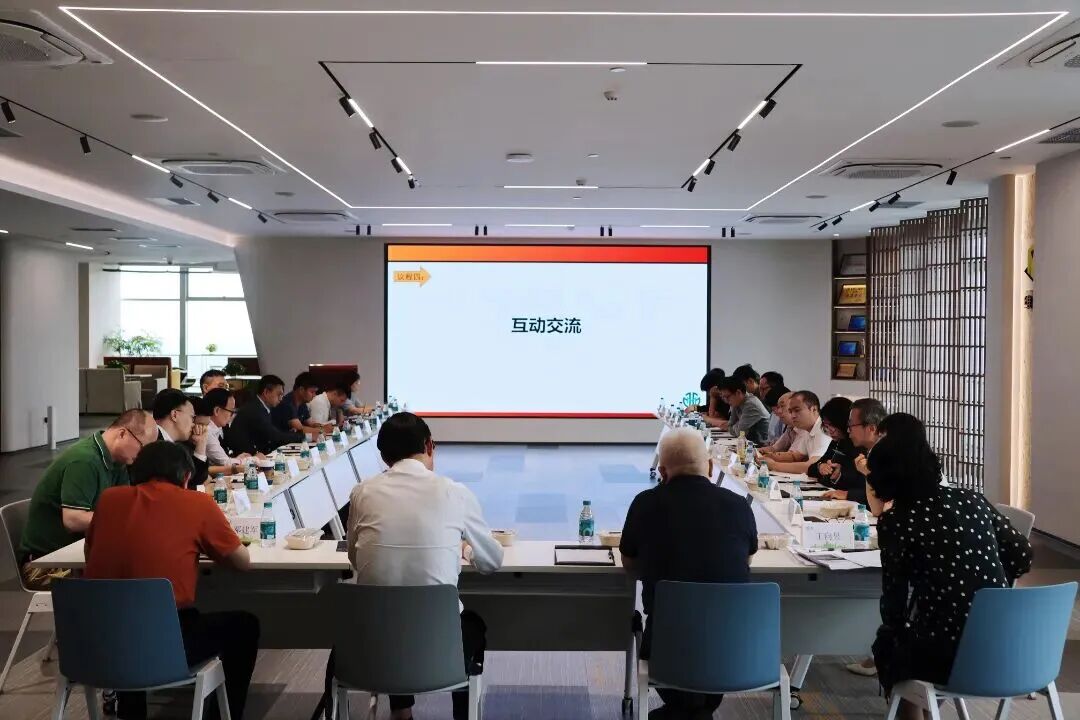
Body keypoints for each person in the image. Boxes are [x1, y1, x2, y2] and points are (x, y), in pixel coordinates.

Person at [868, 414, 1032, 720]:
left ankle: (915, 712)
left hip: (950, 652)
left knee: (891, 645)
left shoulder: (898, 520)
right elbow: (1022, 554)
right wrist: (986, 585)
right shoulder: (973, 500)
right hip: (1011, 643)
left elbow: (894, 603)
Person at [85, 441, 259, 720]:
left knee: (128, 612)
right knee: (245, 626)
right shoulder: (197, 503)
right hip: (162, 645)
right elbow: (242, 562)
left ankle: (130, 712)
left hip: (96, 642)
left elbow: (90, 553)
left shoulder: (108, 500)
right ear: (187, 477)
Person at [345, 412, 503, 720]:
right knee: (470, 625)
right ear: (430, 446)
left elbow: (354, 558)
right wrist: (465, 549)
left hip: (372, 647)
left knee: (393, 606)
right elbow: (492, 561)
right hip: (439, 647)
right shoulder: (454, 492)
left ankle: (401, 712)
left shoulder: (362, 492)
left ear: (383, 457)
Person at [620, 428, 757, 720]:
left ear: (662, 472)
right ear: (710, 466)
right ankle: (695, 710)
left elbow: (630, 564)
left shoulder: (646, 503)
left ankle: (686, 710)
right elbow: (746, 560)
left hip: (668, 648)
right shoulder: (738, 506)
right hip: (735, 648)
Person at [18, 410, 158, 589]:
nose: (142, 455)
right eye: (142, 447)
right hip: (44, 565)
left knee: (140, 570)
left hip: (79, 556)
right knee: (130, 580)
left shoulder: (118, 462)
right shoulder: (84, 461)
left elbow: (124, 508)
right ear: (123, 433)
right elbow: (73, 520)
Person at [807, 397, 866, 505]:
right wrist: (821, 466)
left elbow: (863, 484)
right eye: (826, 426)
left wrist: (840, 476)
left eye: (833, 425)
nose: (830, 431)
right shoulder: (838, 441)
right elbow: (811, 469)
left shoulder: (861, 445)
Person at [228, 375, 305, 455]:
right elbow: (274, 436)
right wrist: (303, 437)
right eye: (279, 394)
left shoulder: (260, 406)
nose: (281, 399)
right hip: (246, 457)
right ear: (266, 392)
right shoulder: (255, 409)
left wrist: (290, 434)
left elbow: (271, 433)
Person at [761, 391, 831, 474]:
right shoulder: (807, 429)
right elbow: (796, 456)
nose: (793, 416)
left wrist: (773, 465)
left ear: (813, 409)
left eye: (797, 410)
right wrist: (765, 456)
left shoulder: (823, 430)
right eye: (790, 411)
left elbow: (811, 466)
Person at [153, 388, 209, 486]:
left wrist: (201, 445)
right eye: (192, 417)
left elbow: (192, 480)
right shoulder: (152, 441)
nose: (193, 424)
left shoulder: (179, 445)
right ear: (174, 415)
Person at [199, 389, 251, 476]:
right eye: (231, 412)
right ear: (217, 411)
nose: (232, 416)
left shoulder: (218, 428)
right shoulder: (207, 430)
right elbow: (225, 463)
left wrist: (239, 459)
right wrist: (252, 459)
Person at [271, 372, 331, 437]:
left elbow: (311, 424)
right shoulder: (287, 404)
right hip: (280, 442)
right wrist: (323, 430)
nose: (314, 395)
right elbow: (300, 429)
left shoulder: (302, 403)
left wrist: (323, 426)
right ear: (301, 390)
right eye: (312, 392)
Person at [716, 376, 771, 444]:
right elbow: (730, 425)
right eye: (723, 397)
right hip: (749, 443)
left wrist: (735, 426)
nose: (726, 401)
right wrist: (737, 425)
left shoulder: (751, 405)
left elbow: (739, 432)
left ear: (738, 392)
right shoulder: (737, 402)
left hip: (762, 445)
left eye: (727, 397)